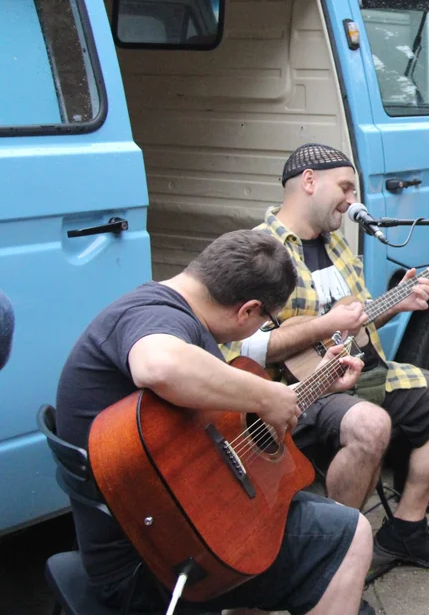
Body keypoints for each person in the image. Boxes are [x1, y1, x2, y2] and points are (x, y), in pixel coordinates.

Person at [54, 230, 375, 614]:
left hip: (175, 530)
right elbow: (160, 366)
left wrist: (311, 386)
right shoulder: (154, 315)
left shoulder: (172, 308)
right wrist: (267, 395)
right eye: (266, 322)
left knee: (277, 513)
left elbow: (218, 421)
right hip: (156, 568)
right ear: (249, 310)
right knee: (351, 533)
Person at [223, 143, 429, 569]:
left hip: (364, 372)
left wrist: (394, 303)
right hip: (299, 392)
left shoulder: (338, 244)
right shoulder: (259, 250)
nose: (352, 200)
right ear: (309, 181)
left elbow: (352, 328)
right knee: (370, 424)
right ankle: (334, 559)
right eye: (345, 187)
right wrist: (325, 326)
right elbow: (240, 346)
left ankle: (406, 528)